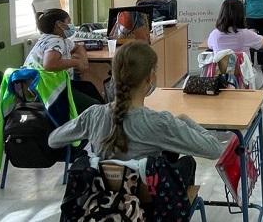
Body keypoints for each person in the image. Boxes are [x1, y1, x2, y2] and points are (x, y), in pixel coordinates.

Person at [49, 41, 222, 174]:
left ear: (114, 75)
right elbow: (214, 149)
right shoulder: (160, 123)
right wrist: (185, 120)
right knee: (185, 163)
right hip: (147, 206)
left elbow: (53, 140)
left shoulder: (94, 115)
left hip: (103, 204)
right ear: (150, 77)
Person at [24, 8, 103, 113]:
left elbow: (79, 47)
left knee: (89, 88)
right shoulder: (54, 41)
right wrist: (77, 62)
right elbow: (50, 64)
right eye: (69, 21)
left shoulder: (58, 39)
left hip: (52, 85)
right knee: (95, 107)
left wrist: (84, 64)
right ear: (59, 24)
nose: (71, 25)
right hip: (48, 89)